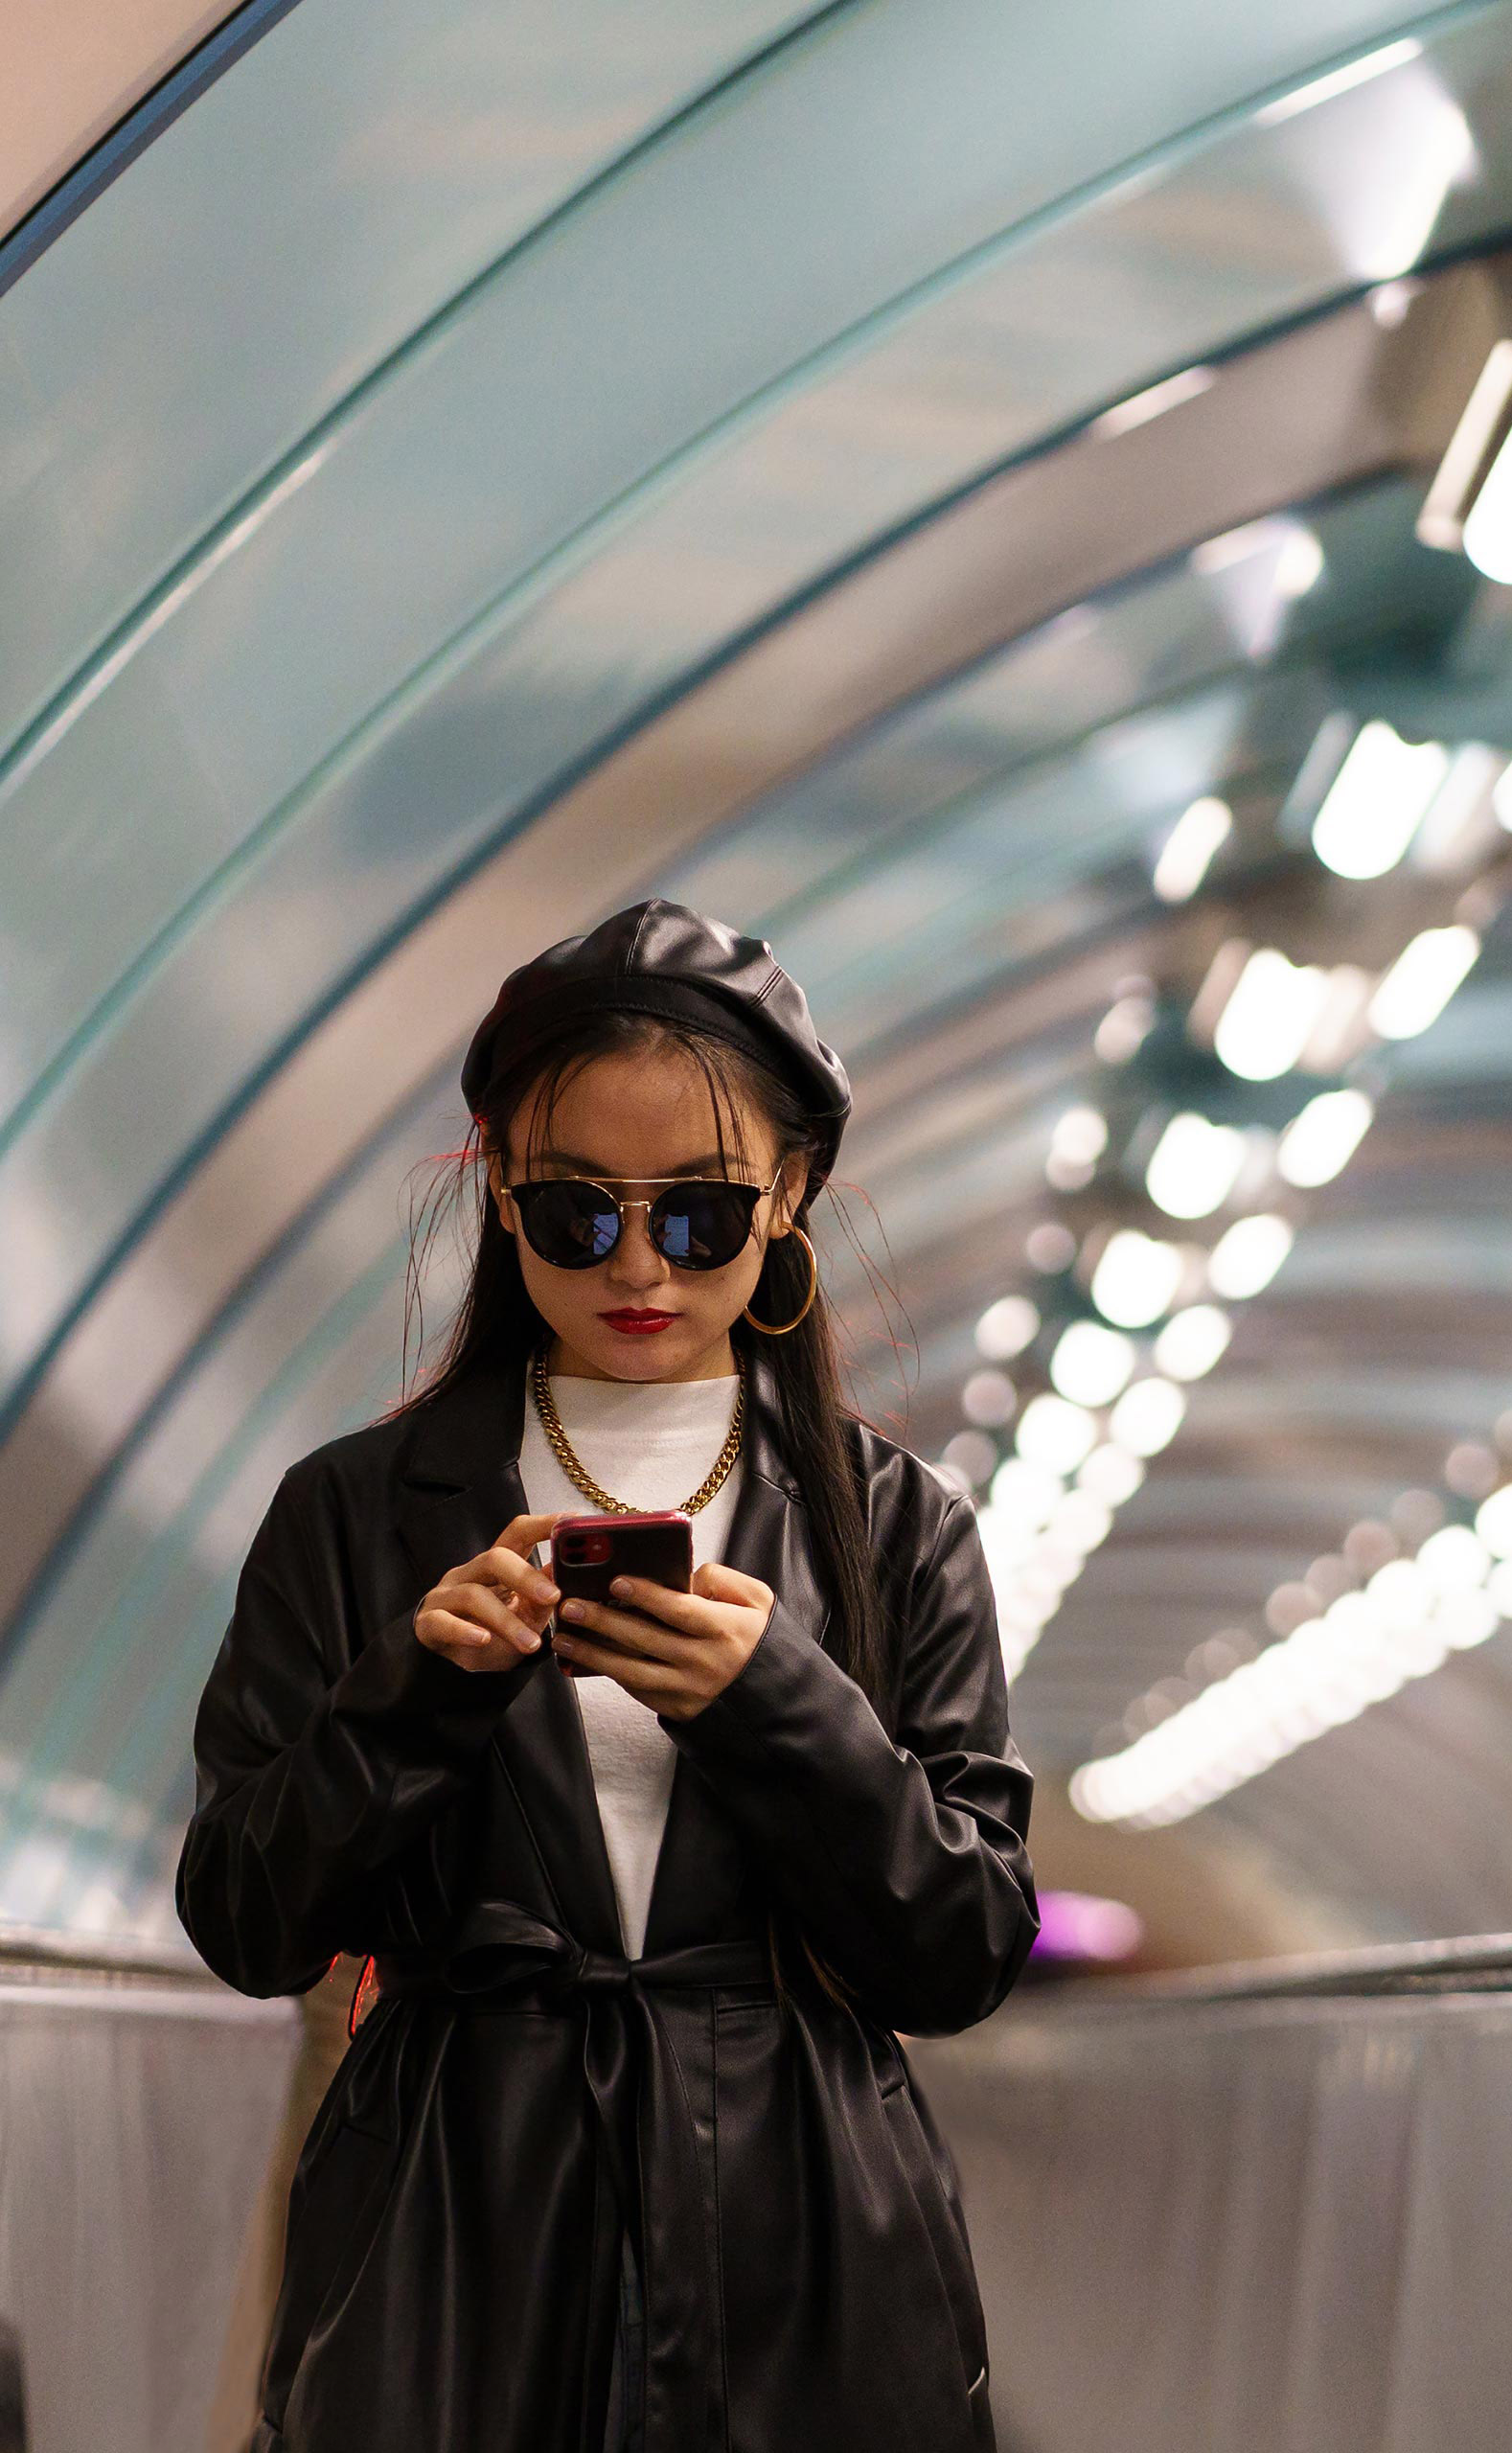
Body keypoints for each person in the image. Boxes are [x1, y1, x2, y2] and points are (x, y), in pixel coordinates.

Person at [176, 900, 1038, 2451]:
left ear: (792, 1196)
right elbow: (244, 1917)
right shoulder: (356, 1511)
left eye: (699, 1216)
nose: (638, 1266)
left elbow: (963, 1947)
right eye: (580, 1215)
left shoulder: (896, 1527)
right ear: (503, 1195)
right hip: (455, 2228)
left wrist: (774, 1707)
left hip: (807, 2242)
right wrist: (418, 1694)